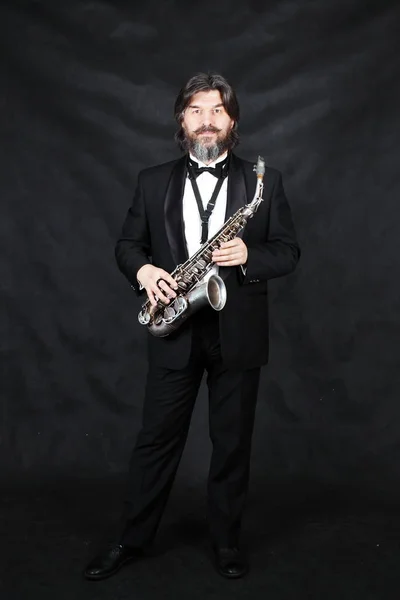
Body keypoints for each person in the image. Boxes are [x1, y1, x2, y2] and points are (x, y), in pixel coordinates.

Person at [84, 72, 300, 581]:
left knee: (231, 442)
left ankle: (226, 542)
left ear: (233, 120)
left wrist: (249, 255)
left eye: (217, 111)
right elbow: (126, 245)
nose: (207, 121)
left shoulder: (262, 182)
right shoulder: (152, 179)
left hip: (237, 329)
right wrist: (144, 271)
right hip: (177, 325)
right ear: (182, 120)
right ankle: (130, 539)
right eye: (197, 110)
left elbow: (288, 251)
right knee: (156, 440)